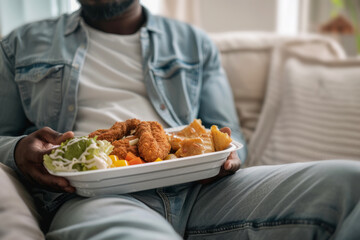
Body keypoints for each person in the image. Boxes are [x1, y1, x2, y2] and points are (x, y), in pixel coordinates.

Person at [0, 0, 359, 239]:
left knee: (350, 182)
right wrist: (17, 150)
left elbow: (228, 134)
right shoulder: (21, 44)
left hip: (203, 190)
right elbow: (3, 136)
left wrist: (227, 156)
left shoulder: (193, 43)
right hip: (93, 196)